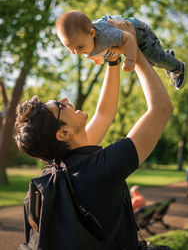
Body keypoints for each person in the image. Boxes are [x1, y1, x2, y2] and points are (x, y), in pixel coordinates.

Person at [14, 20, 173, 249]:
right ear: (63, 133)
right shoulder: (103, 169)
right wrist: (134, 52)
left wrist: (113, 59)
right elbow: (161, 109)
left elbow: (105, 112)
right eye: (60, 106)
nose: (66, 100)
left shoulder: (60, 170)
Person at [55, 10, 186, 90]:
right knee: (151, 62)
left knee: (155, 58)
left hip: (138, 33)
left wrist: (130, 60)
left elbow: (128, 38)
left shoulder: (105, 35)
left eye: (79, 47)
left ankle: (178, 68)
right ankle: (167, 57)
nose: (76, 52)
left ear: (92, 33)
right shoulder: (84, 45)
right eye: (70, 49)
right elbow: (93, 53)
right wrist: (97, 59)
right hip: (126, 40)